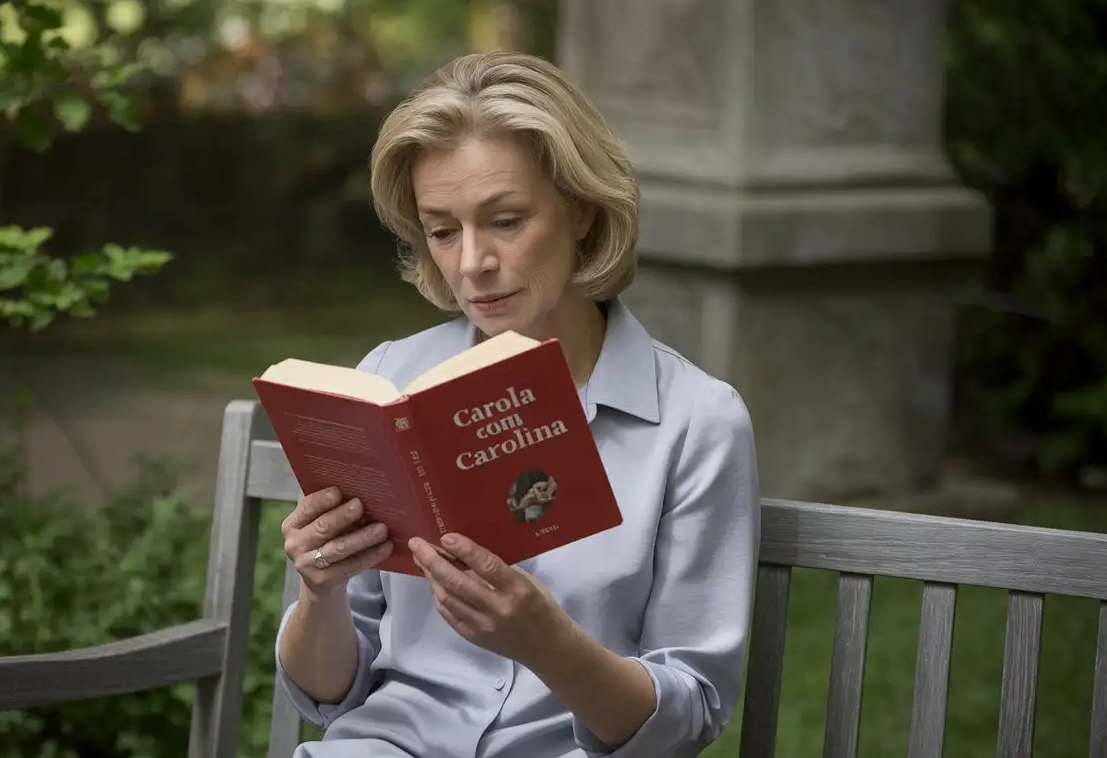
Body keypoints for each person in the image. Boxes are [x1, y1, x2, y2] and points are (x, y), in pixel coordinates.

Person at [275, 51, 760, 758]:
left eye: (505, 220)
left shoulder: (695, 423)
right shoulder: (390, 379)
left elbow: (686, 720)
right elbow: (327, 698)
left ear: (582, 209)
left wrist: (548, 644)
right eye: (442, 230)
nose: (472, 263)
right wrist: (319, 592)